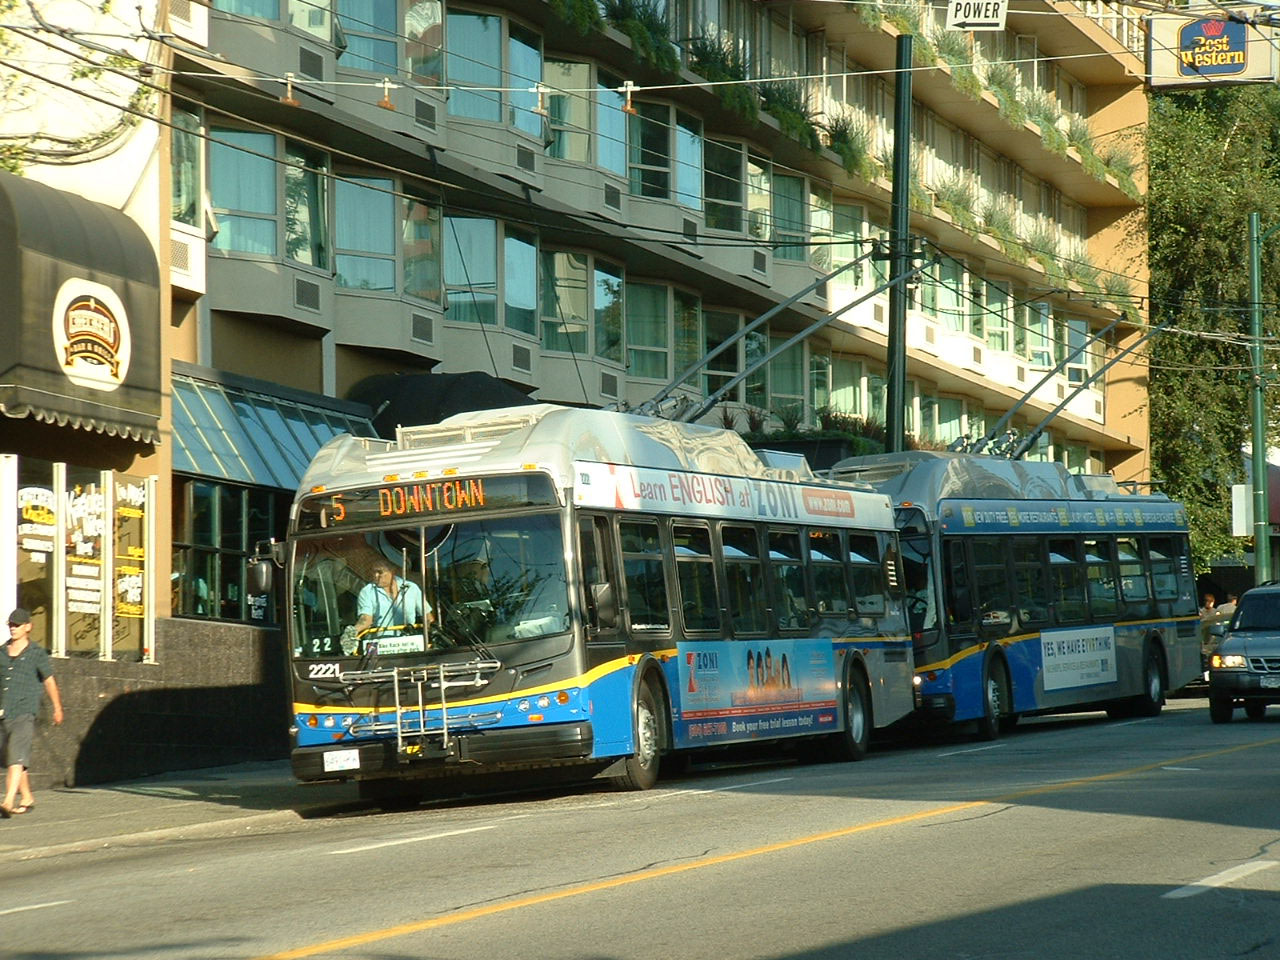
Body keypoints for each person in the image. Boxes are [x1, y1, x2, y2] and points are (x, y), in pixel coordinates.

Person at [1, 607, 63, 817]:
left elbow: (49, 681)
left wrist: (57, 708)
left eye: (17, 625)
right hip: (4, 713)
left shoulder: (36, 653)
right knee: (15, 758)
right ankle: (27, 797)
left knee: (15, 757)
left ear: (28, 627)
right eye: (11, 625)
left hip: (24, 712)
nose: (13, 628)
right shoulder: (1, 652)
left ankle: (8, 801)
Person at [355, 563, 430, 639]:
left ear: (392, 571)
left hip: (409, 640)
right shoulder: (367, 591)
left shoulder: (411, 588)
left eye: (380, 572)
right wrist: (352, 631)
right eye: (373, 572)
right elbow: (366, 619)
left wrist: (431, 630)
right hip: (380, 642)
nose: (376, 575)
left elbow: (427, 616)